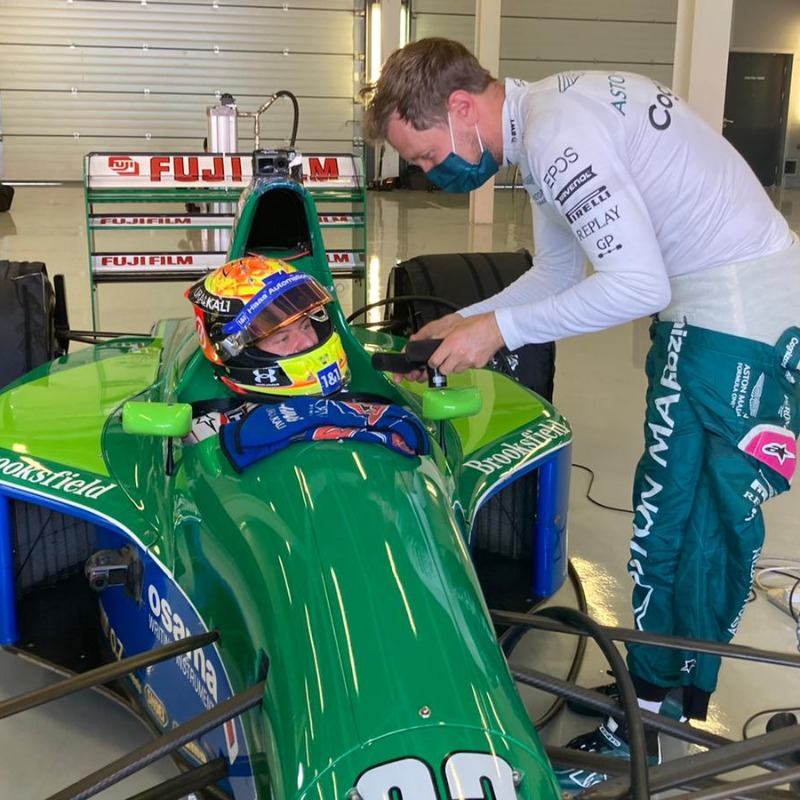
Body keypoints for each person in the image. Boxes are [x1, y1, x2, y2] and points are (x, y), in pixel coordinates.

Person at [360, 37, 800, 791]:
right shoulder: (543, 121)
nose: (430, 173)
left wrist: (497, 332)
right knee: (682, 523)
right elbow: (559, 273)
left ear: (460, 107)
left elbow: (635, 284)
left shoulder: (556, 134)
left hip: (732, 323)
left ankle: (649, 729)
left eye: (427, 154)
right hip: (721, 308)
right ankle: (659, 697)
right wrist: (469, 317)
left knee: (679, 527)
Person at [185, 254, 350, 442]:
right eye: (283, 338)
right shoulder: (210, 434)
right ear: (234, 352)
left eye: (306, 326)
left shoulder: (366, 401)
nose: (307, 342)